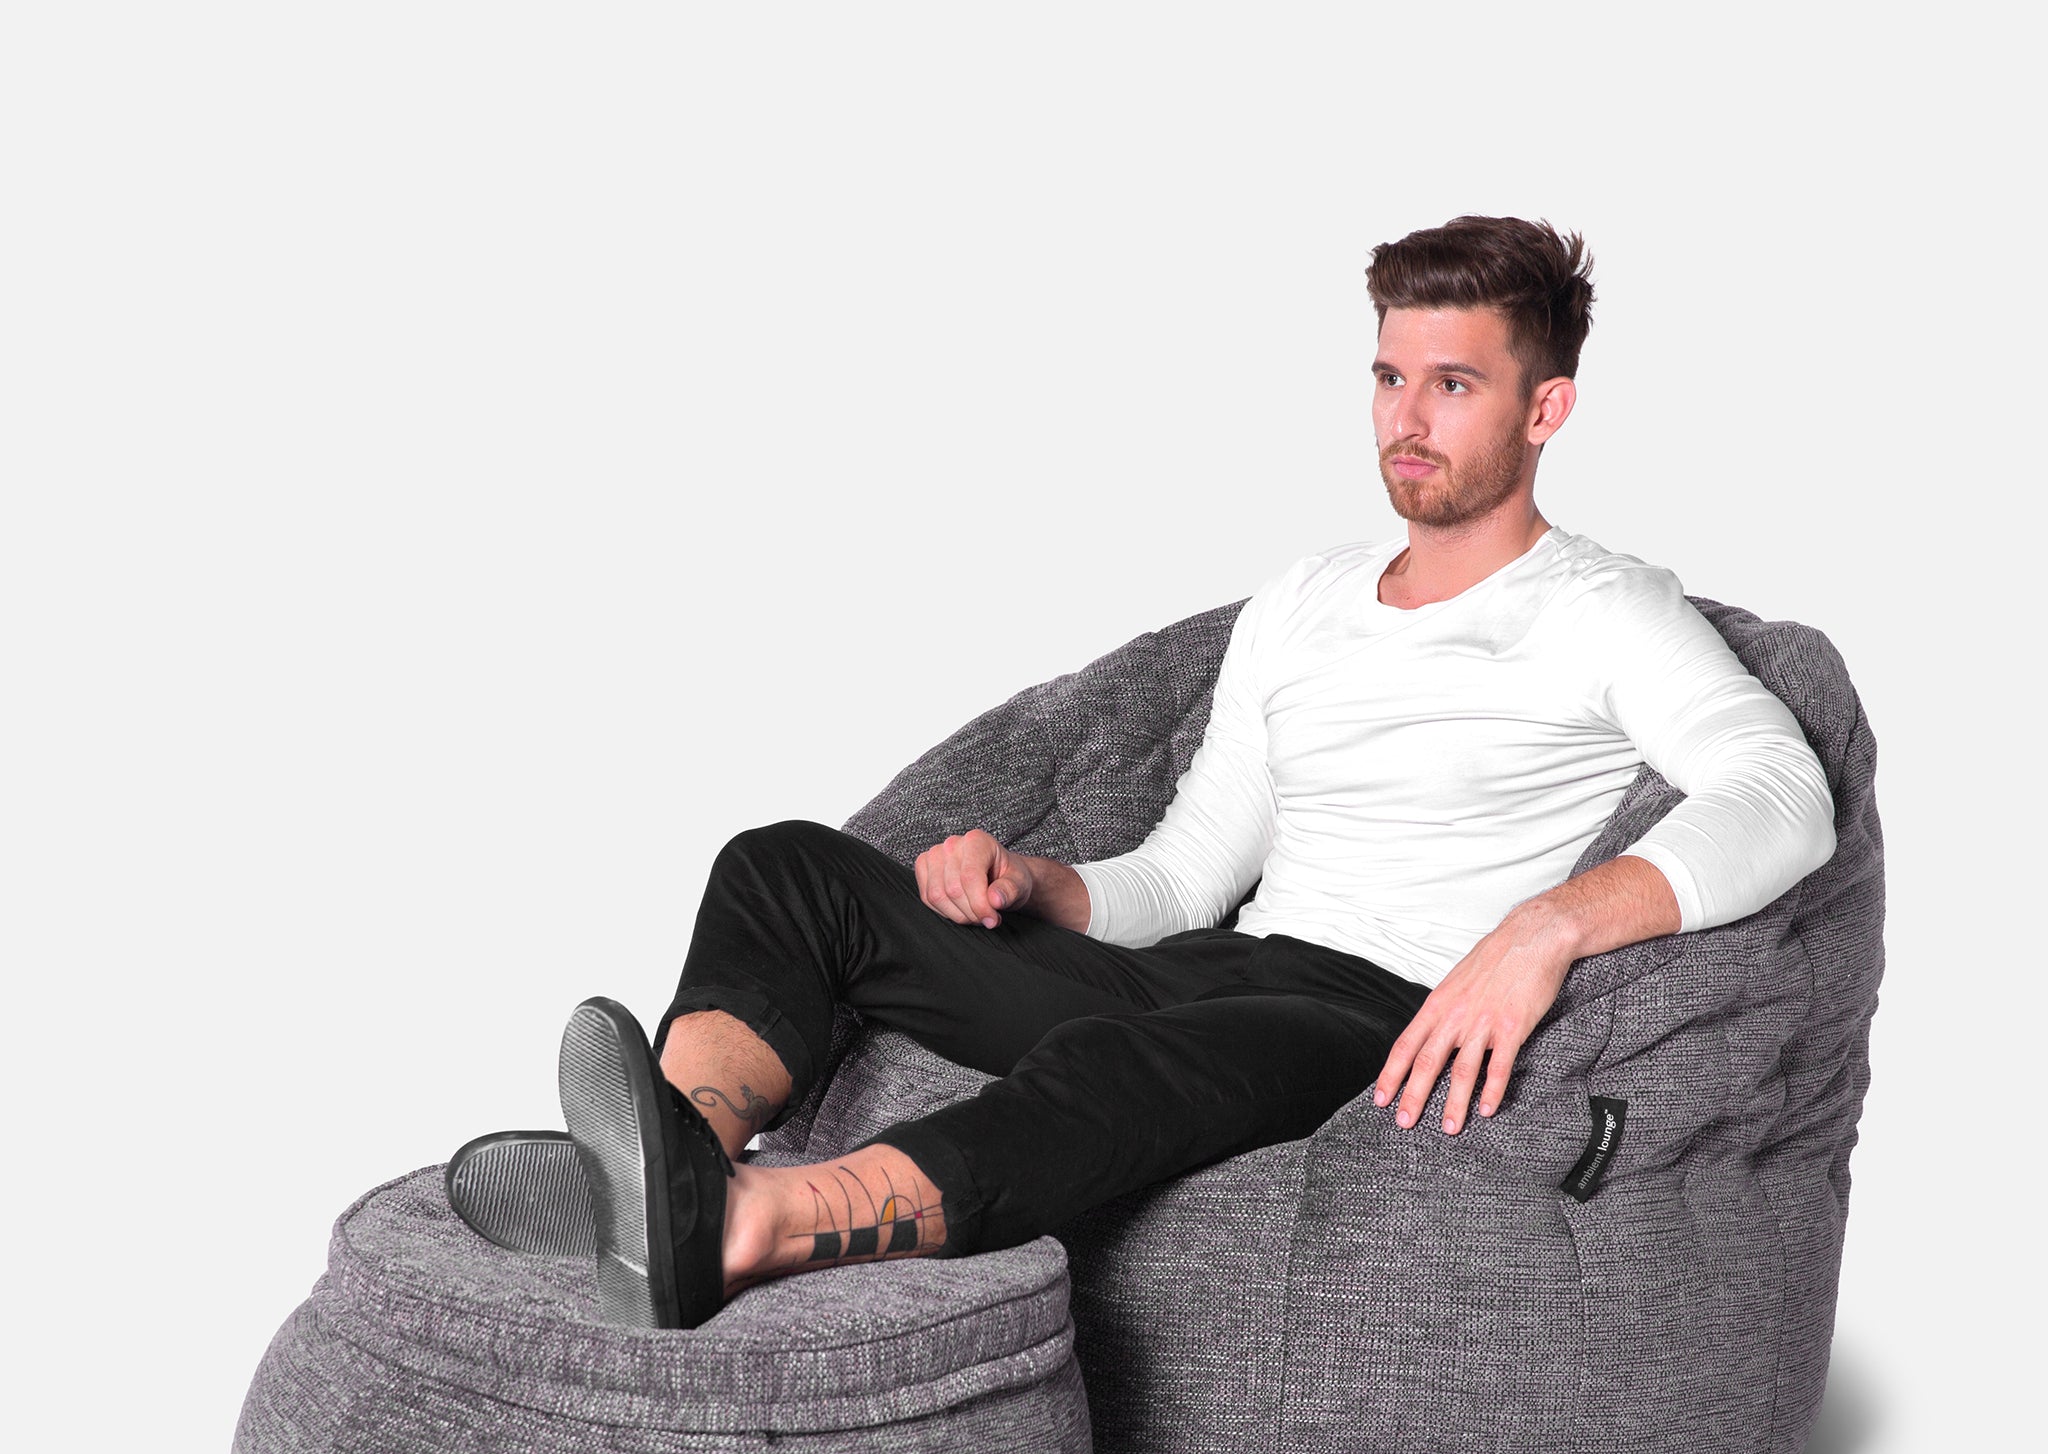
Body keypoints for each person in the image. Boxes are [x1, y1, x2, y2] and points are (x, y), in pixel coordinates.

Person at [455, 214, 1837, 1330]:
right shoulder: (1304, 602)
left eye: (1453, 384)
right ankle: (677, 1163)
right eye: (1388, 377)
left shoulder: (1602, 609)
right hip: (1213, 966)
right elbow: (1183, 878)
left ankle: (744, 1227)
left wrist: (1547, 929)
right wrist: (1037, 885)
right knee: (785, 871)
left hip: (1372, 1018)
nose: (1406, 419)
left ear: (1547, 409)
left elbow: (1783, 791)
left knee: (1116, 1066)